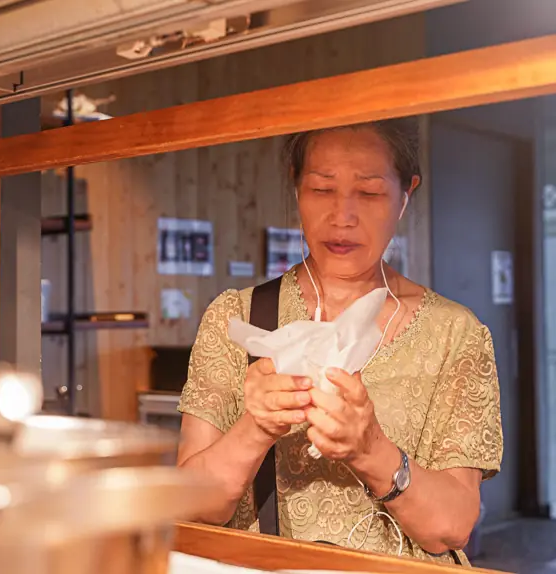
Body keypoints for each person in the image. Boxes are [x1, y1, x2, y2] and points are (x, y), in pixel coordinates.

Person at [176, 117, 503, 566]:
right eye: (322, 189)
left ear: (406, 194)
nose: (342, 217)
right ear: (296, 187)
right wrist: (256, 428)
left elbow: (452, 525)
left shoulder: (454, 334)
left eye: (369, 193)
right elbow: (191, 506)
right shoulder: (238, 319)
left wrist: (371, 450)